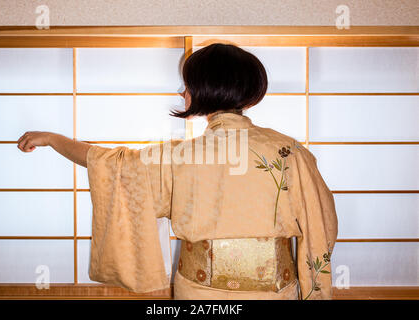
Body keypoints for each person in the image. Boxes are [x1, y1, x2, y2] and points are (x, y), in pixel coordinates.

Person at [17, 43, 338, 300]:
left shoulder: (180, 154)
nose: (181, 92)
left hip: (199, 292)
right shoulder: (290, 151)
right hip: (275, 292)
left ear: (204, 89)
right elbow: (321, 220)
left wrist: (54, 139)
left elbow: (111, 163)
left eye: (186, 85)